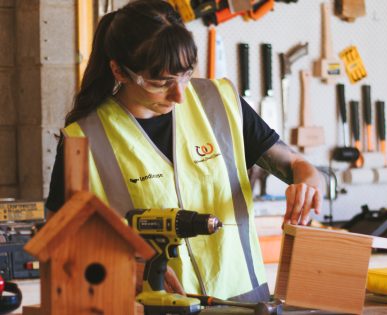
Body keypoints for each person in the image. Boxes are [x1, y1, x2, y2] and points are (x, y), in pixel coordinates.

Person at [45, 0, 323, 302]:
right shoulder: (84, 138)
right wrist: (119, 269)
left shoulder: (220, 102)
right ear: (119, 72)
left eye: (186, 74)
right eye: (161, 82)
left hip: (245, 305)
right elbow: (58, 244)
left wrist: (307, 185)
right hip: (156, 308)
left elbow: (298, 165)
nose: (179, 94)